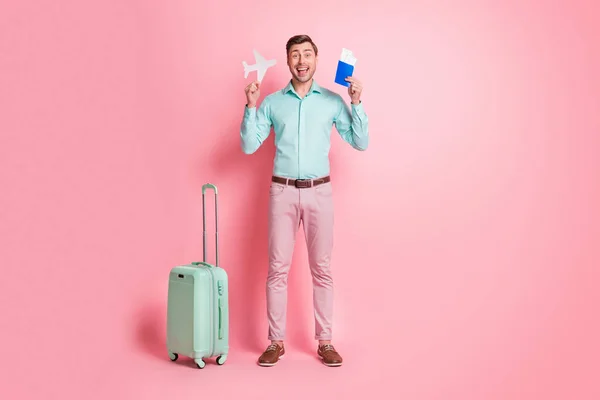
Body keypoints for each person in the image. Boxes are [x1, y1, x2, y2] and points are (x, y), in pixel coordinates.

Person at [240, 34, 369, 367]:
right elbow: (249, 146)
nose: (301, 61)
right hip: (281, 192)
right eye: (295, 55)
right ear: (287, 61)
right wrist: (251, 108)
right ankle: (276, 342)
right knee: (276, 270)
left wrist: (356, 103)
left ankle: (325, 341)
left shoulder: (331, 101)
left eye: (307, 54)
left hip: (319, 192)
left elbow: (360, 141)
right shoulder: (271, 102)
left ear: (316, 59)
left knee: (322, 270)